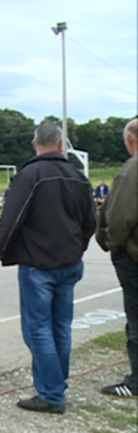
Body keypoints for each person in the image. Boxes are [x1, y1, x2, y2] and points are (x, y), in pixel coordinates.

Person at [0, 121, 96, 414]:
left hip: (39, 263)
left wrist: (0, 250)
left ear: (34, 144)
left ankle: (51, 392)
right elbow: (91, 221)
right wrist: (78, 246)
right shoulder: (78, 176)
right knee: (60, 326)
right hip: (69, 261)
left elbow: (11, 217)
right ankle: (55, 383)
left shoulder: (30, 175)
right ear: (62, 145)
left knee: (37, 329)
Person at [95, 119, 138, 398]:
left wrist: (109, 242)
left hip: (134, 257)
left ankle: (136, 382)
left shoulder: (133, 169)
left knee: (136, 318)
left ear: (131, 141)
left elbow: (120, 215)